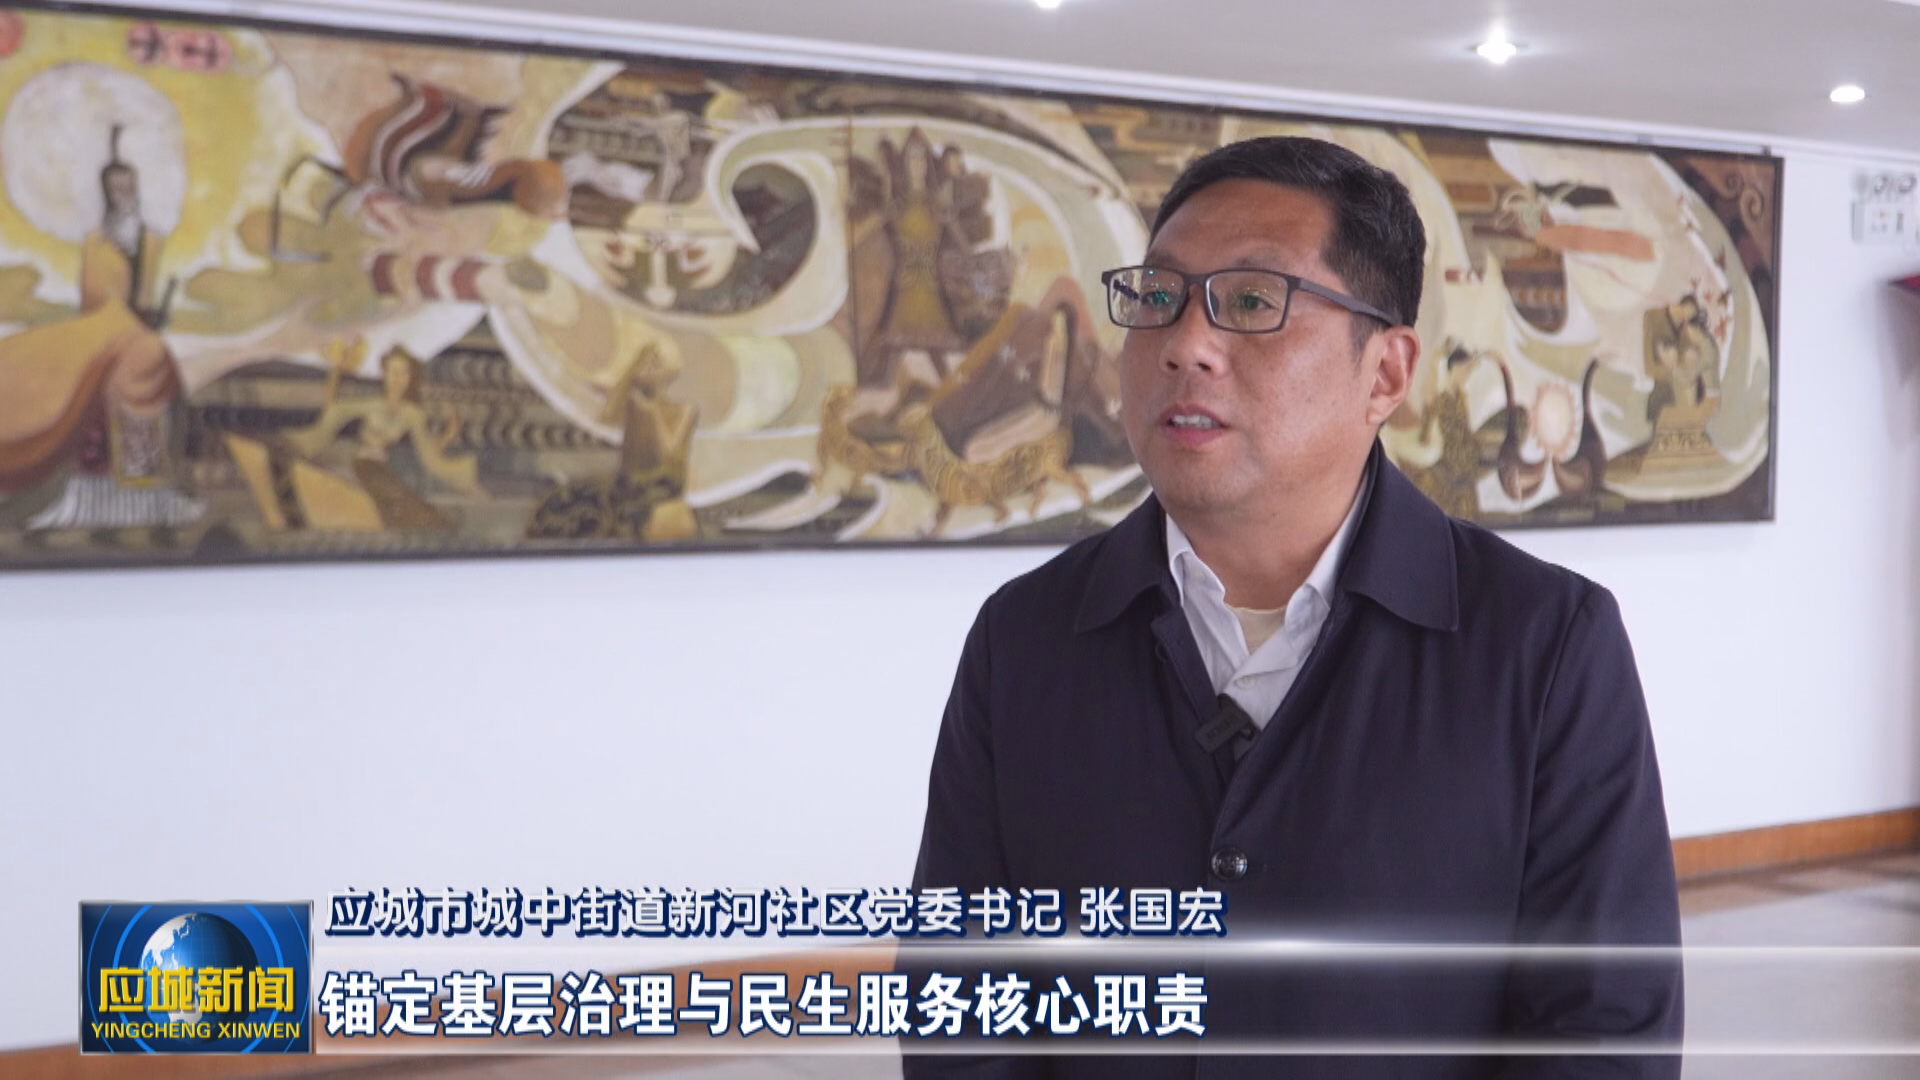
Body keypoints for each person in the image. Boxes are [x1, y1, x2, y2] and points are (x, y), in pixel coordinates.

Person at [907, 136, 1683, 1078]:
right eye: (1158, 298)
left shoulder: (1545, 646)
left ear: (1385, 374)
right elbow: (960, 1015)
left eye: (1250, 302)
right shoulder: (1024, 638)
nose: (1185, 344)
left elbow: (1600, 1039)